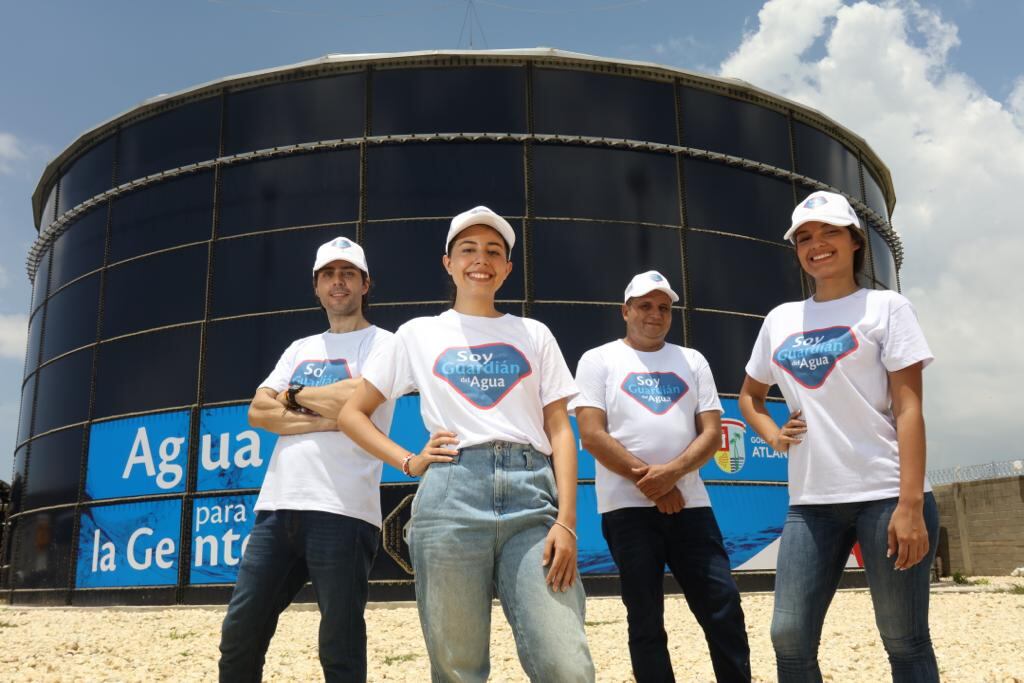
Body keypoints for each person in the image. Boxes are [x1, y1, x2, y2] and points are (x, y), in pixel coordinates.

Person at [338, 206, 595, 682]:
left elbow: (560, 428)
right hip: (450, 497)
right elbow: (353, 413)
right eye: (469, 250)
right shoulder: (417, 334)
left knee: (566, 663)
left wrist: (568, 521)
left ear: (508, 268)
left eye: (494, 251)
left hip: (532, 498)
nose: (482, 260)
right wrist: (409, 461)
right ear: (448, 263)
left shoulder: (534, 334)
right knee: (458, 668)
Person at [738, 190, 938, 682]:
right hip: (811, 501)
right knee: (788, 636)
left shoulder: (886, 308)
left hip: (885, 495)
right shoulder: (780, 320)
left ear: (854, 241)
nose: (816, 244)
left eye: (829, 232)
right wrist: (774, 433)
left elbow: (910, 408)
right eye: (804, 237)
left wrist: (909, 506)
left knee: (903, 640)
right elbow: (749, 395)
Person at [218, 237, 394, 682]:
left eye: (348, 274)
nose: (339, 283)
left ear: (365, 284)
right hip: (276, 508)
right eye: (329, 275)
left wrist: (292, 400)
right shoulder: (299, 348)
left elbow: (356, 399)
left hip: (344, 511)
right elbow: (258, 412)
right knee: (240, 633)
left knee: (339, 645)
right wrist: (327, 414)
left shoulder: (386, 345)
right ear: (316, 287)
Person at [573, 270, 752, 682]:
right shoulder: (598, 360)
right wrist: (654, 487)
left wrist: (671, 476)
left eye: (664, 308)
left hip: (691, 507)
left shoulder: (692, 360)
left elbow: (711, 434)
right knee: (646, 618)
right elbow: (592, 435)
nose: (655, 314)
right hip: (627, 511)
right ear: (626, 310)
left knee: (723, 606)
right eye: (645, 305)